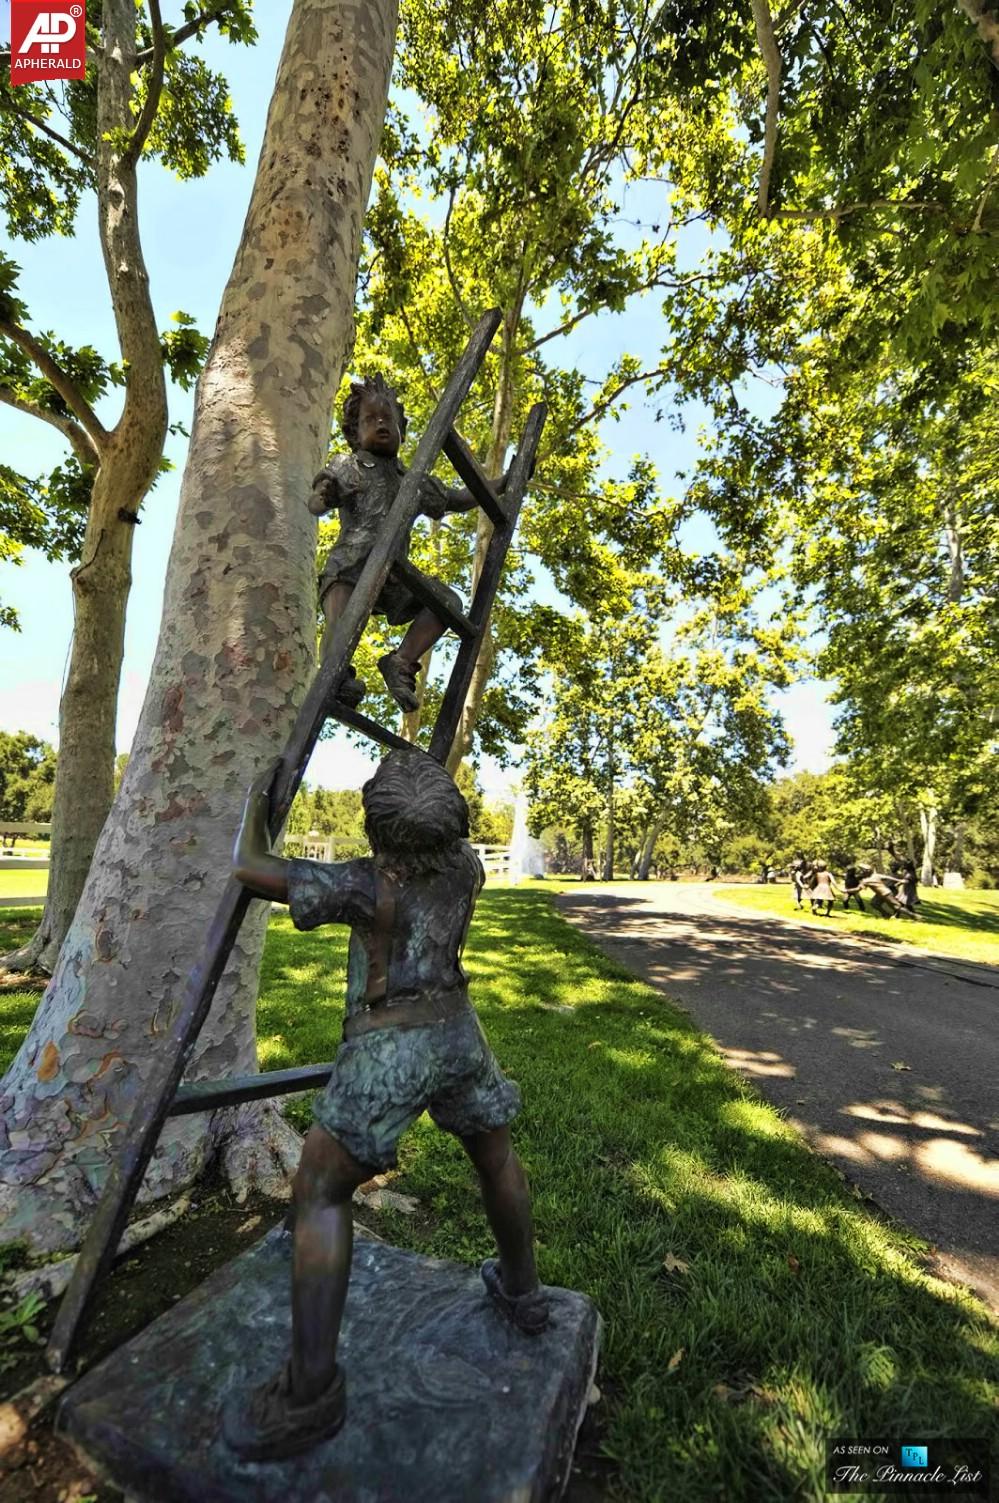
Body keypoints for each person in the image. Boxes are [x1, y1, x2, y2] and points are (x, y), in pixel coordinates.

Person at [223, 750, 548, 1460]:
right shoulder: (468, 866)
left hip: (391, 1044)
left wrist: (257, 800)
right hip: (460, 1031)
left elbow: (249, 866)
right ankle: (522, 1291)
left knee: (317, 1185)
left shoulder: (362, 885)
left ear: (377, 834)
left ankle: (309, 1391)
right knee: (494, 1153)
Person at [309, 373, 513, 712]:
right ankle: (337, 679)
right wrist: (325, 497)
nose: (381, 424)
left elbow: (459, 498)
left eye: (388, 419)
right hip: (350, 566)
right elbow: (316, 502)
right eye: (370, 420)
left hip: (394, 575)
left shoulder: (413, 481)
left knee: (446, 601)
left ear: (401, 427)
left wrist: (505, 482)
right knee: (341, 625)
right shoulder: (349, 465)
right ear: (353, 433)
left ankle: (400, 661)